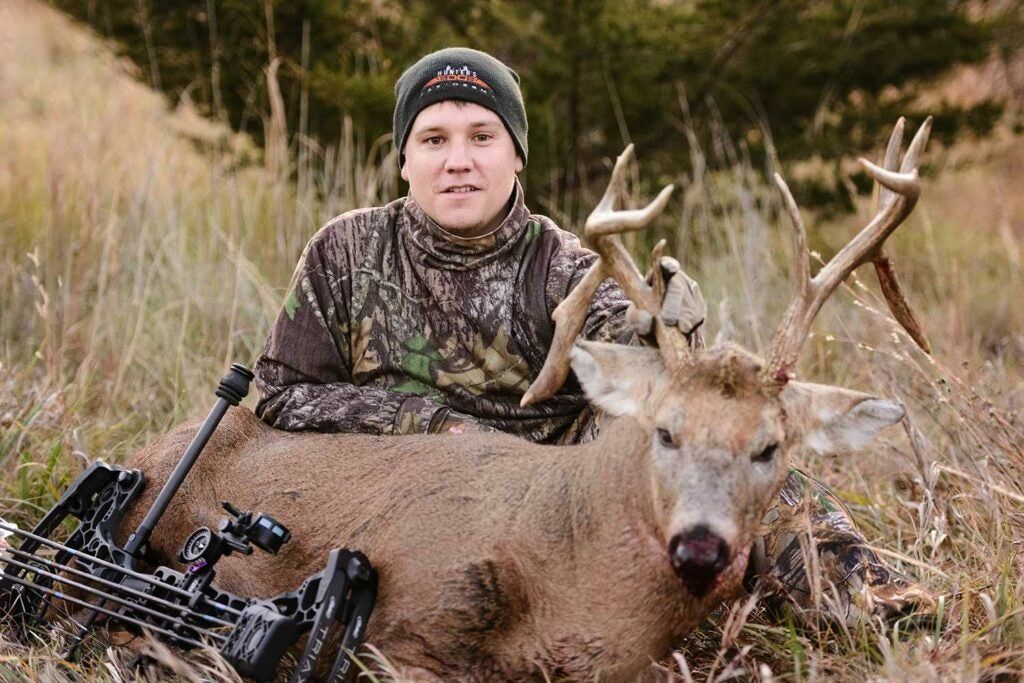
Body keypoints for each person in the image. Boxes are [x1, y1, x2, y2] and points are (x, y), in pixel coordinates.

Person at [253, 47, 934, 626]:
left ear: (517, 155)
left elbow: (643, 369)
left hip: (544, 493)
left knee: (726, 456)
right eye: (434, 139)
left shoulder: (569, 269)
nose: (457, 160)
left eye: (482, 137)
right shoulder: (345, 251)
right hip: (387, 497)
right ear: (404, 159)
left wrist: (664, 329)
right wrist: (431, 423)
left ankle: (874, 597)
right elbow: (282, 394)